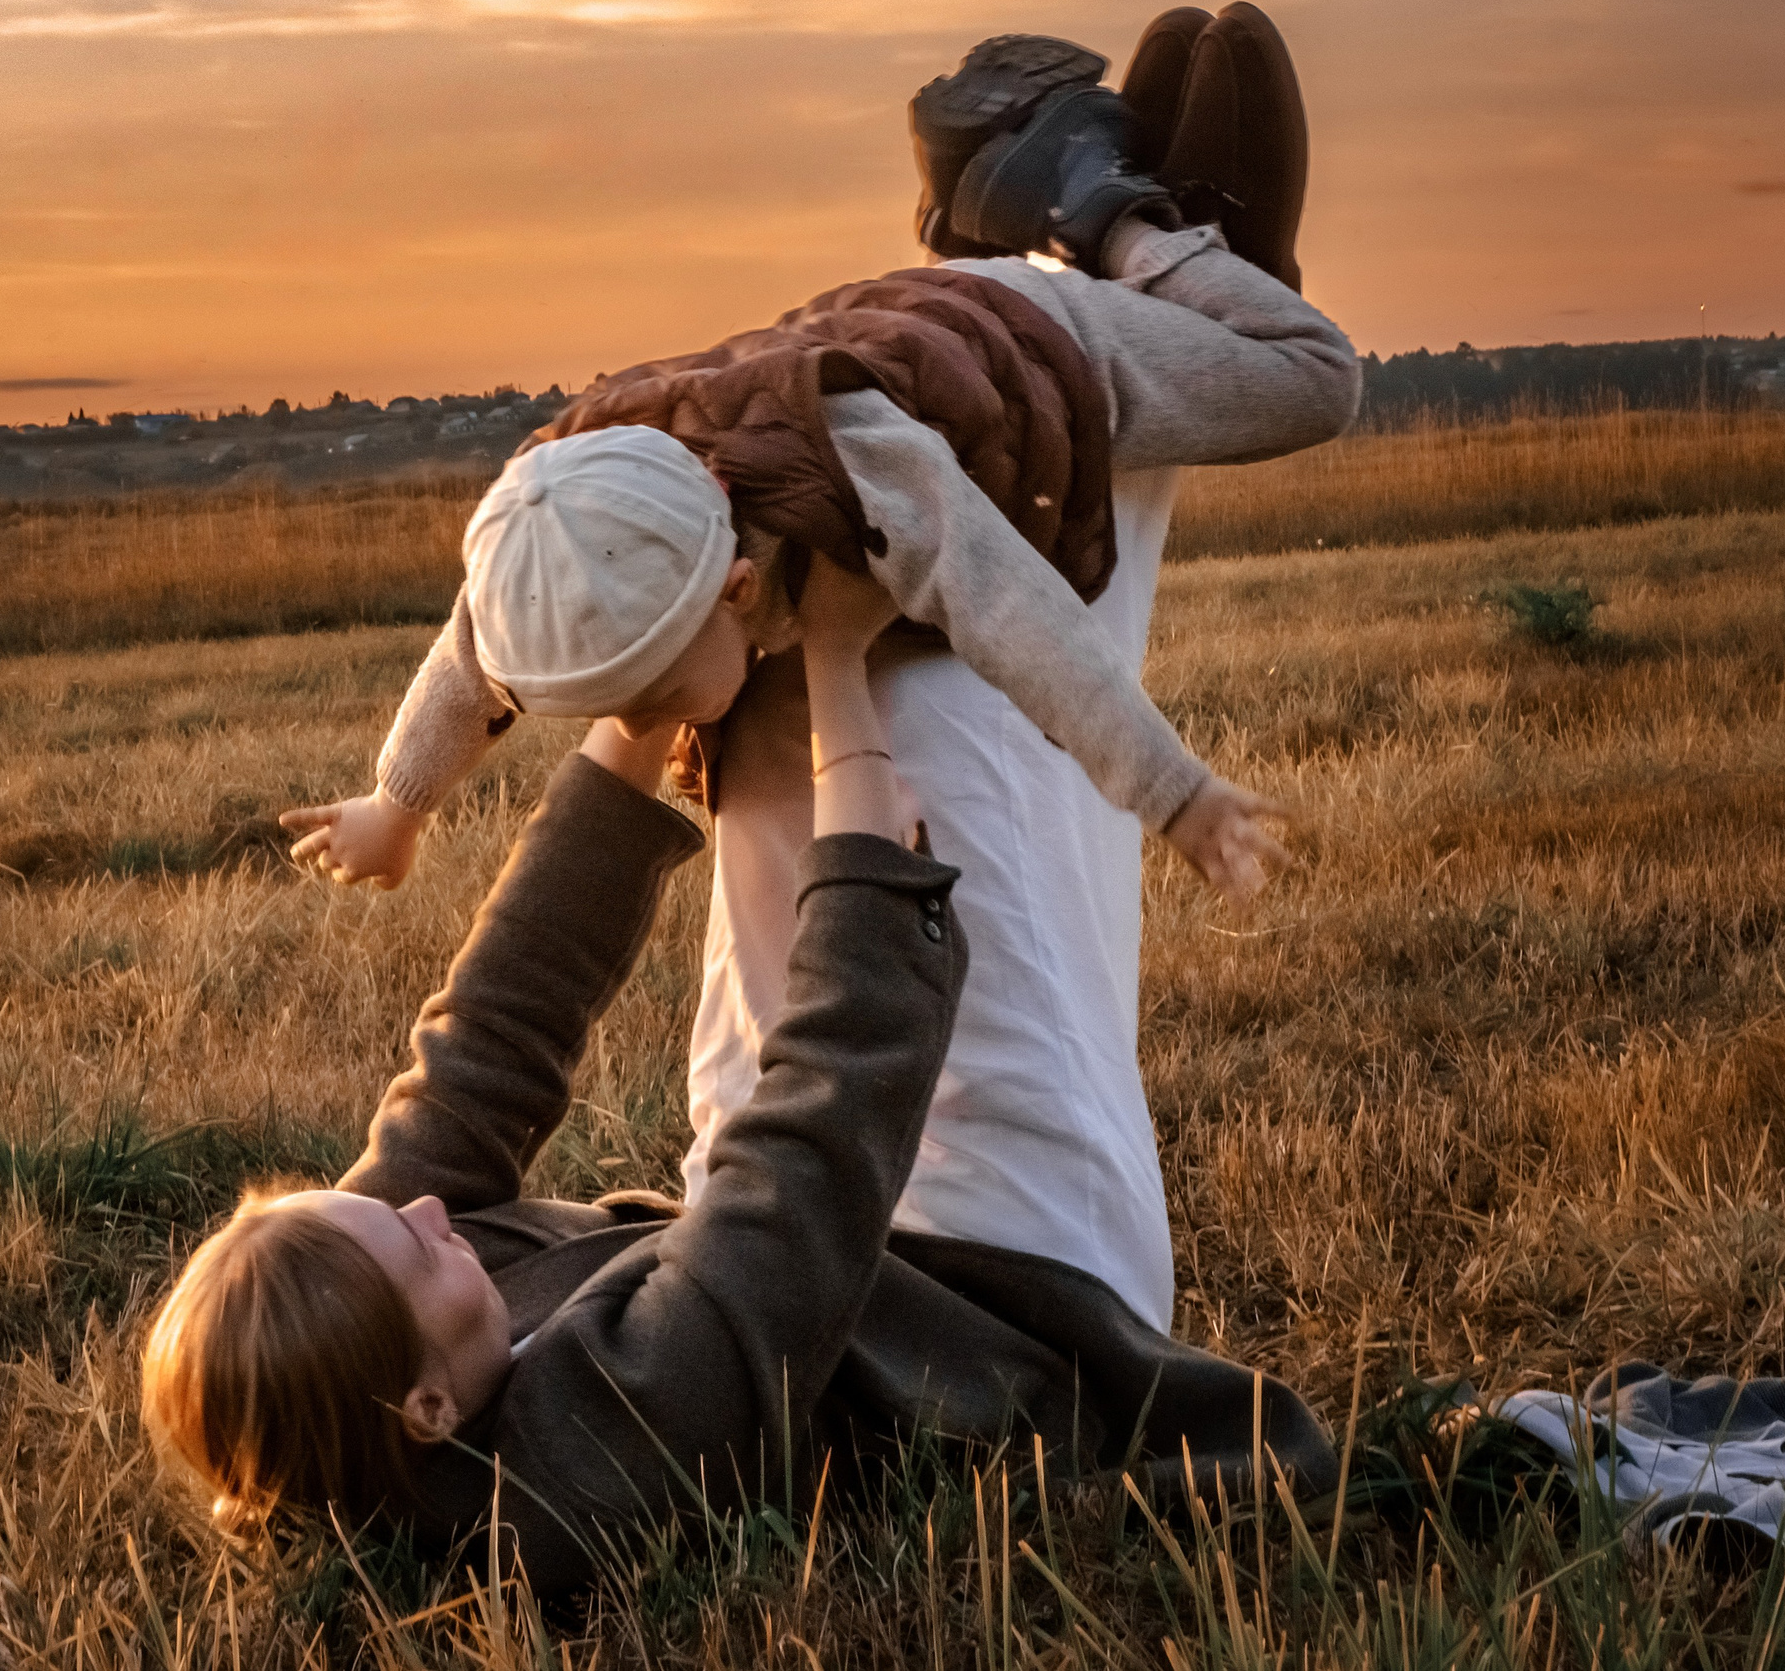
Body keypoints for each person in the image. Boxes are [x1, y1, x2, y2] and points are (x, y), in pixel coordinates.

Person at [283, 5, 1355, 1331]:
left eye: (656, 699)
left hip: (988, 354)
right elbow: (475, 654)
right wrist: (401, 800)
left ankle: (1111, 224)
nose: (648, 739)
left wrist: (1177, 791)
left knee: (1299, 379)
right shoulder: (575, 510)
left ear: (737, 581)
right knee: (896, 721)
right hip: (907, 376)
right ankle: (1080, 218)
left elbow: (1024, 619)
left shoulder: (802, 489)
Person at [145, 558, 1335, 1592]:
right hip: (989, 1289)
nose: (419, 1210)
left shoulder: (375, 1343)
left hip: (801, 1247)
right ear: (429, 1414)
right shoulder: (597, 1457)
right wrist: (837, 664)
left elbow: (492, 1035)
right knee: (937, 720)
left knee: (748, 709)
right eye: (409, 1243)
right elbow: (815, 1139)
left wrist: (645, 701)